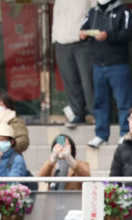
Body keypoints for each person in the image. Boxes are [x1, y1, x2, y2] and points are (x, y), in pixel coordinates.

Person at [81, 0, 132, 148]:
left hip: (118, 64)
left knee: (123, 102)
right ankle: (101, 134)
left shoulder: (123, 11)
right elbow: (84, 27)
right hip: (98, 64)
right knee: (100, 102)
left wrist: (108, 35)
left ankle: (125, 133)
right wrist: (84, 34)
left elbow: (128, 33)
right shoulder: (93, 12)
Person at [53, 0, 96, 129]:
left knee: (88, 80)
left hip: (82, 42)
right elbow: (57, 16)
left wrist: (88, 33)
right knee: (70, 80)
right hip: (61, 41)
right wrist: (54, 37)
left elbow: (95, 13)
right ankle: (78, 113)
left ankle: (96, 113)